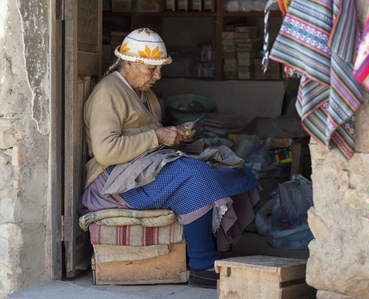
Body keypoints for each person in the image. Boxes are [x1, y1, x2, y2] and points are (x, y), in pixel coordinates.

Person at [78, 28, 261, 288]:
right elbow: (106, 151)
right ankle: (202, 264)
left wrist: (176, 135)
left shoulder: (145, 93)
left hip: (142, 169)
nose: (158, 76)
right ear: (129, 64)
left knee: (231, 167)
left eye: (159, 69)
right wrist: (159, 137)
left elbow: (150, 133)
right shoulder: (107, 94)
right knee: (194, 175)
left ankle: (220, 250)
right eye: (151, 69)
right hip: (114, 181)